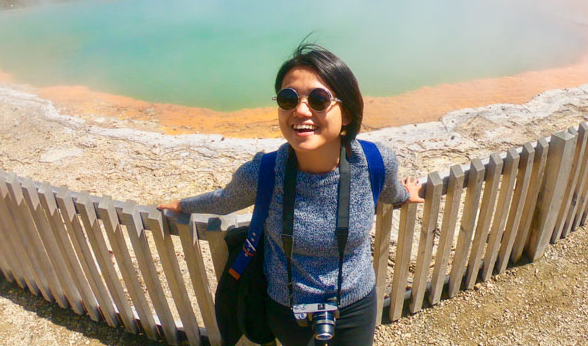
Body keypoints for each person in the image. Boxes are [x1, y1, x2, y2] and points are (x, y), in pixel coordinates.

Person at [158, 43, 423, 345]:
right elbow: (225, 199)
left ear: (346, 113)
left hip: (354, 303)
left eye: (319, 99)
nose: (300, 110)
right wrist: (183, 204)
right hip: (287, 308)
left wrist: (406, 195)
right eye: (288, 99)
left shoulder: (375, 163)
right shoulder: (266, 171)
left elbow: (391, 191)